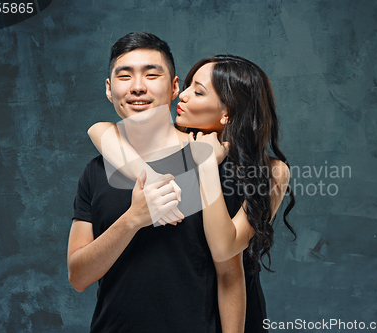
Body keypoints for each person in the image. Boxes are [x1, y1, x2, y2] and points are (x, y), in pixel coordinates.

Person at [89, 54, 296, 332]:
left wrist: (208, 164)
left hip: (235, 317)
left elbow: (225, 247)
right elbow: (100, 129)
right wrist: (155, 179)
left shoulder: (272, 171)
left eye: (197, 92)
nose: (181, 96)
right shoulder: (167, 144)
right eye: (186, 86)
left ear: (228, 113)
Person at [68, 32, 245, 333]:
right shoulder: (96, 171)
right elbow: (78, 277)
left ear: (175, 87)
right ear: (109, 90)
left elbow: (230, 276)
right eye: (124, 77)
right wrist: (133, 219)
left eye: (152, 74)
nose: (138, 87)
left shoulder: (214, 164)